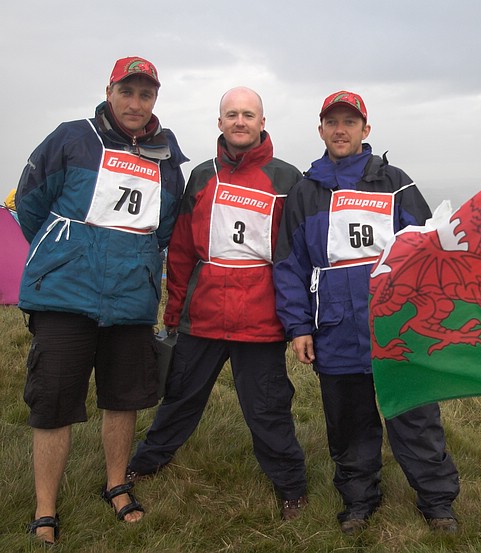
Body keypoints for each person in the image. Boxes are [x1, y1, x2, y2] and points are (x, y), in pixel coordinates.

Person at [16, 56, 188, 545]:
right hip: (65, 297)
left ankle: (117, 484)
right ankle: (45, 508)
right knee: (53, 402)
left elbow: (167, 226)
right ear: (109, 91)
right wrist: (64, 253)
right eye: (127, 92)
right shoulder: (72, 138)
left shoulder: (167, 157)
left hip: (132, 300)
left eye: (146, 95)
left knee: (124, 398)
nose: (135, 103)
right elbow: (31, 204)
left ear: (155, 99)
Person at [273, 91, 460, 534]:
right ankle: (358, 502)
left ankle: (437, 503)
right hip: (335, 330)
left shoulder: (395, 182)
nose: (341, 130)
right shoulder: (305, 192)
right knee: (350, 425)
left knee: (415, 419)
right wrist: (298, 326)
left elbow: (427, 248)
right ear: (320, 130)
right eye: (332, 122)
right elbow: (289, 265)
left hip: (397, 326)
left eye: (350, 122)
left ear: (365, 130)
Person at [127, 86, 308, 520]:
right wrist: (174, 313)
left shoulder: (288, 178)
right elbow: (184, 249)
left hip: (260, 321)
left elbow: (296, 255)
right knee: (180, 397)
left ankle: (291, 488)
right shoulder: (202, 176)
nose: (239, 121)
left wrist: (295, 319)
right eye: (231, 114)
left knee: (266, 409)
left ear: (262, 122)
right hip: (203, 317)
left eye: (248, 114)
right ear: (220, 122)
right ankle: (144, 465)